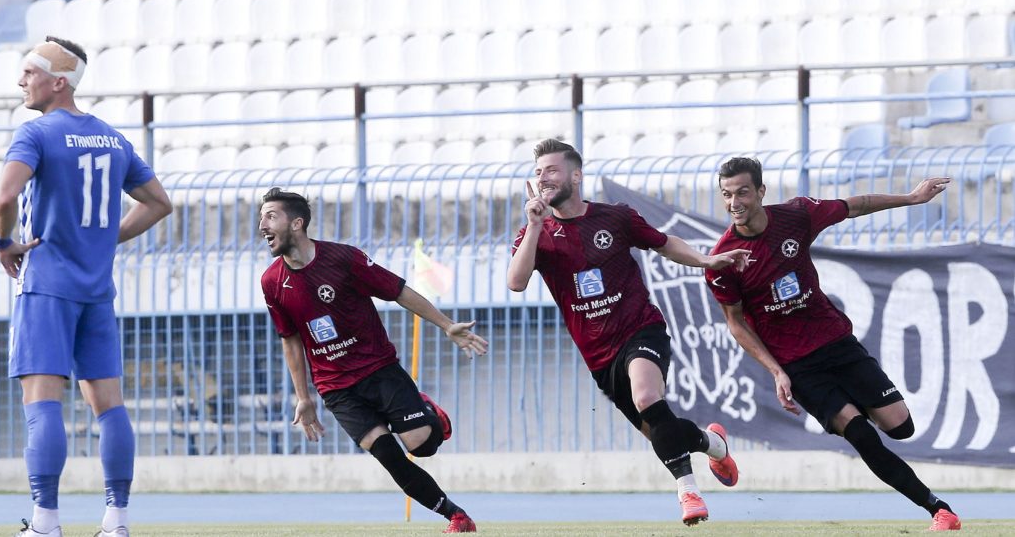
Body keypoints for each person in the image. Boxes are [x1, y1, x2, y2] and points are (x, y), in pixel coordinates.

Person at [705, 157, 961, 532]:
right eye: (726, 195)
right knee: (861, 435)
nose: (734, 203)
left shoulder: (796, 215)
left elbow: (855, 205)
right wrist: (776, 371)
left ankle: (856, 405)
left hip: (836, 342)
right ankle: (940, 511)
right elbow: (736, 322)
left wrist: (911, 198)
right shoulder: (723, 260)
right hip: (797, 365)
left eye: (742, 192)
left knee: (900, 427)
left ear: (761, 191)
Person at [506, 139, 750, 526]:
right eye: (538, 172)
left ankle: (689, 493)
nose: (543, 178)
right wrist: (535, 225)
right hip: (599, 357)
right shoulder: (535, 233)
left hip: (640, 329)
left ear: (576, 175)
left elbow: (665, 244)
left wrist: (707, 260)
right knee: (661, 431)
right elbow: (516, 282)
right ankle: (713, 444)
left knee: (647, 396)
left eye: (551, 170)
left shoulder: (615, 217)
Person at [0, 36, 173, 537]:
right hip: (97, 291)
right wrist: (105, 237)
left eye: (29, 72)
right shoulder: (112, 139)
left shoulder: (36, 133)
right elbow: (159, 203)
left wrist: (4, 242)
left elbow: (4, 197)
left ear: (58, 82)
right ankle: (117, 521)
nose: (21, 81)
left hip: (46, 286)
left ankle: (45, 522)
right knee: (109, 406)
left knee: (42, 402)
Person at [258, 187, 488, 534]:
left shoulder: (343, 258)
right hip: (336, 388)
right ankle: (457, 517)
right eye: (261, 218)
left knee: (422, 446)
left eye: (270, 216)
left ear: (297, 223)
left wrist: (446, 324)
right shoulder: (272, 282)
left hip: (378, 369)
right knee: (389, 457)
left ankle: (428, 412)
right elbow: (290, 339)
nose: (262, 225)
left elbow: (398, 290)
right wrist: (303, 397)